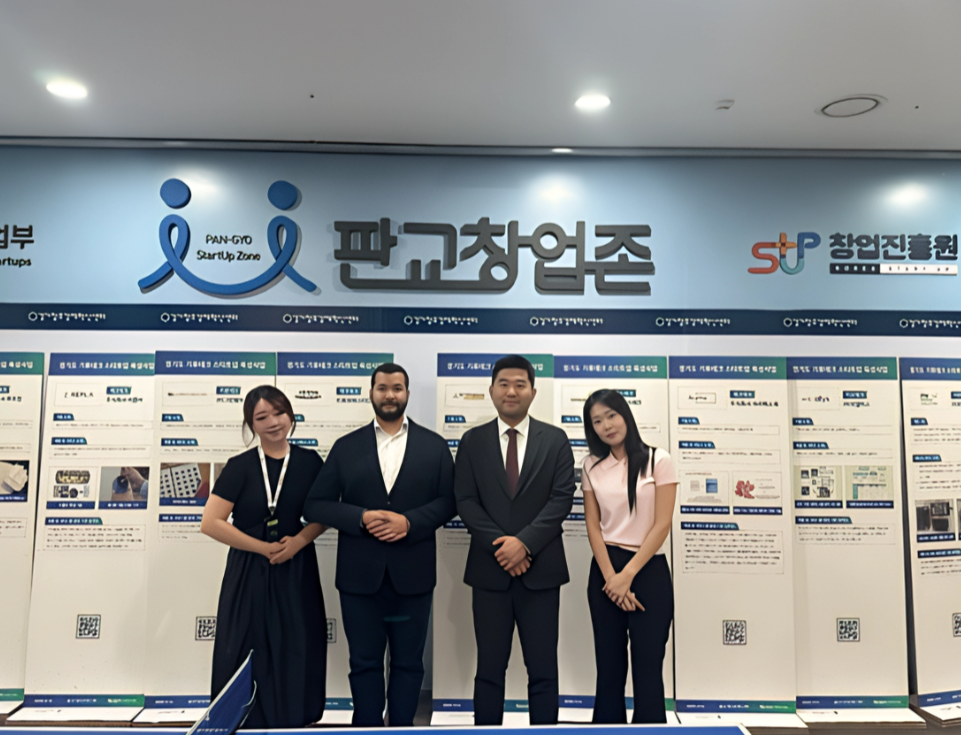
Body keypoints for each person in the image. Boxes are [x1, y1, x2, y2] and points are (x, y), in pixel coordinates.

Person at [304, 362, 455, 727]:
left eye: (397, 388)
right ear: (370, 393)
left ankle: (402, 729)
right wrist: (360, 517)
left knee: (409, 663)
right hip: (359, 579)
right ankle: (366, 729)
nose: (390, 395)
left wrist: (410, 522)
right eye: (383, 388)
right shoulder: (346, 447)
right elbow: (315, 505)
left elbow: (450, 501)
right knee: (364, 663)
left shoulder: (434, 446)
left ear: (407, 394)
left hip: (413, 576)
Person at [454, 354, 575, 726]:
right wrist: (504, 546)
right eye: (503, 384)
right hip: (489, 573)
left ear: (533, 392)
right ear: (491, 391)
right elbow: (465, 500)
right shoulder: (472, 441)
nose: (511, 391)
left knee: (543, 669)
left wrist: (524, 544)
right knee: (489, 669)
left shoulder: (555, 439)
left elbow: (561, 499)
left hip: (542, 572)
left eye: (520, 384)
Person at [200, 386, 327, 729]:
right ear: (251, 424)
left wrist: (299, 541)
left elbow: (326, 513)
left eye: (279, 412)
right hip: (250, 570)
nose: (273, 422)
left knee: (296, 643)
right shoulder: (240, 466)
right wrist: (260, 547)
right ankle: (244, 721)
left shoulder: (310, 462)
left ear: (291, 415)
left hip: (296, 568)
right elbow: (210, 522)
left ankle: (294, 720)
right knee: (247, 646)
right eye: (262, 417)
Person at [580, 389, 677, 724]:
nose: (606, 425)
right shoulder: (591, 465)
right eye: (597, 421)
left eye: (611, 415)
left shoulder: (658, 460)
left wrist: (627, 575)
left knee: (648, 667)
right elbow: (593, 524)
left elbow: (662, 524)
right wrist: (612, 578)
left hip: (648, 570)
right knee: (609, 667)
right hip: (605, 571)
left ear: (625, 415)